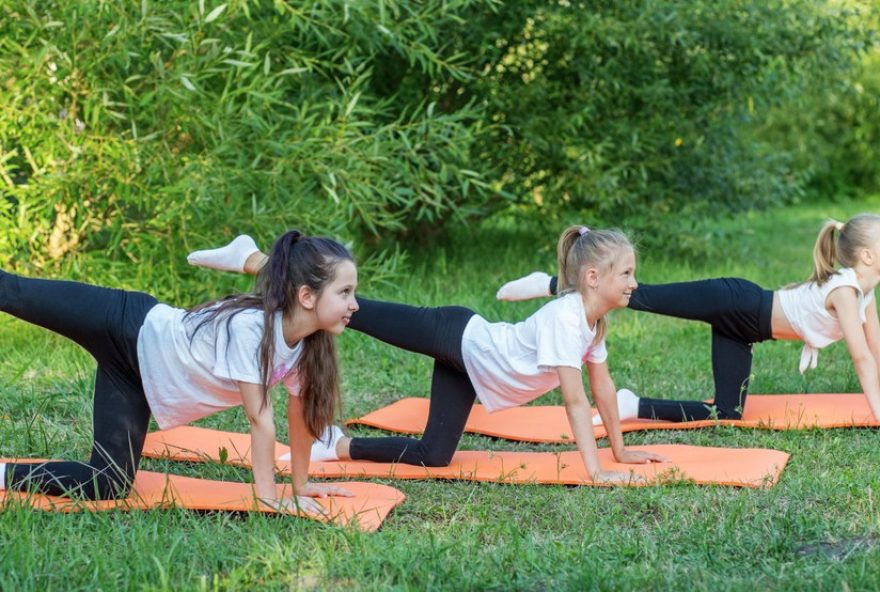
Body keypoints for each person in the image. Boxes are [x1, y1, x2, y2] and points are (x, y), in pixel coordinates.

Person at [187, 227, 669, 484]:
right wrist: (597, 468)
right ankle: (254, 259)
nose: (634, 283)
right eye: (626, 273)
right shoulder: (567, 319)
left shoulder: (592, 321)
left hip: (473, 370)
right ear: (593, 278)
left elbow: (602, 388)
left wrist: (621, 450)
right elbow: (575, 402)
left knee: (434, 457)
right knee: (355, 311)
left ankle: (336, 445)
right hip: (456, 336)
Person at [0, 231, 358, 513]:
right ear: (307, 297)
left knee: (106, 484)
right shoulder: (254, 330)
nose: (355, 305)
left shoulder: (306, 347)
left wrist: (300, 484)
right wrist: (268, 496)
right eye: (345, 293)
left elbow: (300, 416)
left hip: (135, 378)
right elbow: (260, 420)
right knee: (14, 292)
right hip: (123, 322)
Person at [495, 214, 880, 424]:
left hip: (745, 331)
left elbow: (876, 349)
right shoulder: (845, 290)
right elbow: (861, 357)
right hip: (736, 301)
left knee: (727, 413)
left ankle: (634, 405)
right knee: (639, 296)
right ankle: (548, 283)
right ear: (866, 256)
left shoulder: (865, 292)